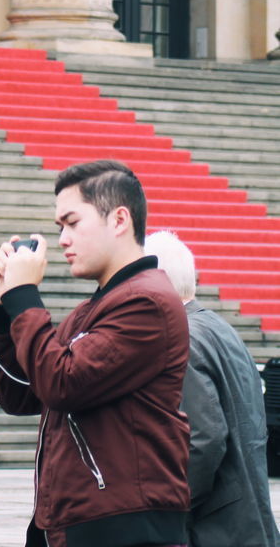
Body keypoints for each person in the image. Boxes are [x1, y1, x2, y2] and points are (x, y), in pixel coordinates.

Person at [0, 158, 191, 547]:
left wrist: (24, 296)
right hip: (74, 516)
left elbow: (63, 384)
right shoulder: (93, 309)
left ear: (119, 220)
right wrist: (0, 312)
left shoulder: (147, 302)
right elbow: (22, 392)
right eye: (59, 227)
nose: (62, 239)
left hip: (123, 523)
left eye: (73, 223)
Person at [147, 230, 280, 547]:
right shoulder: (218, 327)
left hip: (214, 526)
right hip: (243, 516)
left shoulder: (183, 337)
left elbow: (203, 439)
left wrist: (168, 511)